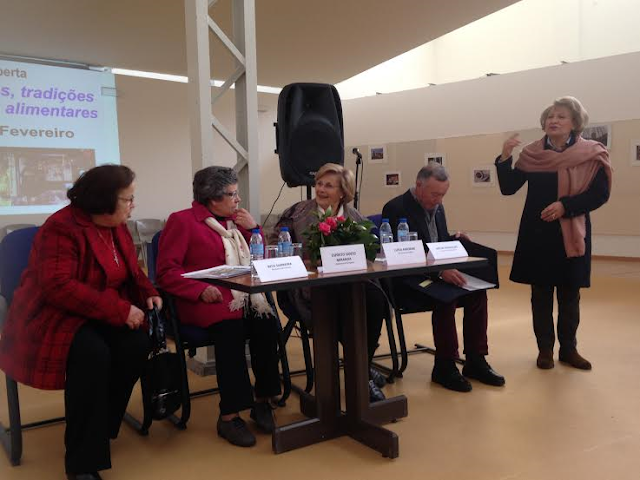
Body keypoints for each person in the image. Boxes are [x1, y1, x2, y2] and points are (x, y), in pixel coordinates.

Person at [0, 164, 160, 480]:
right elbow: (58, 287)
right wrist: (120, 311)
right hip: (53, 314)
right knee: (92, 353)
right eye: (128, 199)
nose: (133, 205)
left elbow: (132, 271)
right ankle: (82, 463)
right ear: (104, 201)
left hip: (99, 309)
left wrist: (149, 293)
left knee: (137, 344)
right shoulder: (60, 228)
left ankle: (99, 426)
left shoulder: (116, 225)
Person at [156, 166, 281, 448]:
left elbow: (259, 258)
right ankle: (229, 415)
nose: (238, 200)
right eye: (232, 194)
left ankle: (263, 399)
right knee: (230, 329)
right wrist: (199, 291)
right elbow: (166, 272)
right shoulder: (182, 221)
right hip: (201, 299)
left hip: (240, 295)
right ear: (212, 198)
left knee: (266, 323)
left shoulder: (237, 221)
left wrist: (254, 229)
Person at [496, 96, 612, 370]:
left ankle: (569, 349)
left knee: (570, 295)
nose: (554, 120)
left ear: (574, 123)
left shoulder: (591, 153)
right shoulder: (532, 153)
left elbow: (600, 194)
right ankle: (545, 350)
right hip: (538, 234)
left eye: (561, 116)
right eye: (550, 116)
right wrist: (505, 157)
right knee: (541, 295)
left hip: (571, 235)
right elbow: (508, 187)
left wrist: (565, 206)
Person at [382, 164, 505, 393]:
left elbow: (434, 242)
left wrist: (454, 239)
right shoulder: (396, 207)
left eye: (442, 195)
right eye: (434, 194)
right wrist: (438, 272)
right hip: (408, 280)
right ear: (419, 185)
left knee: (477, 293)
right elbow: (402, 253)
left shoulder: (438, 207)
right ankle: (444, 365)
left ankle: (476, 359)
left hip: (435, 274)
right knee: (447, 297)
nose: (439, 200)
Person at [271, 162, 387, 402]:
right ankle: (362, 371)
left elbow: (371, 252)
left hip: (352, 285)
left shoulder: (355, 218)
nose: (321, 190)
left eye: (329, 186)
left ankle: (361, 368)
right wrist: (304, 261)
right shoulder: (296, 213)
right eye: (319, 184)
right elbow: (274, 246)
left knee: (376, 300)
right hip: (309, 287)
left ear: (343, 192)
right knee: (343, 308)